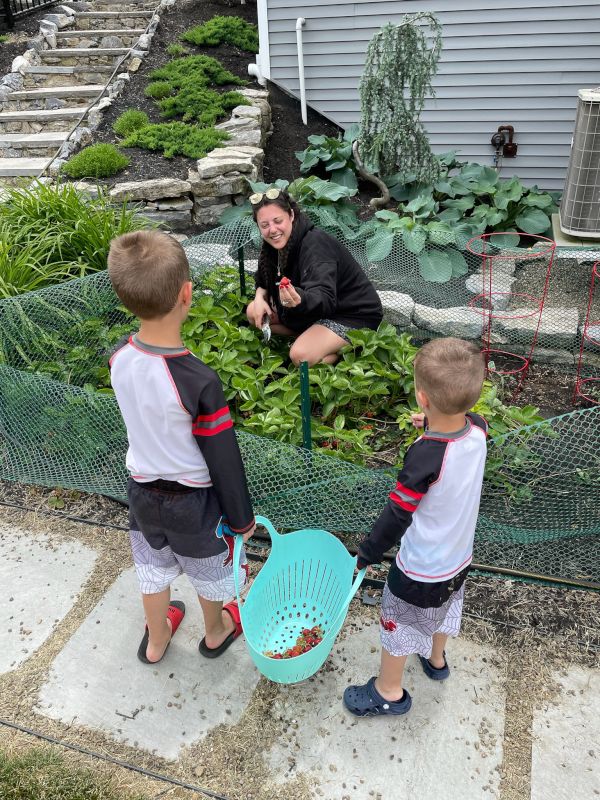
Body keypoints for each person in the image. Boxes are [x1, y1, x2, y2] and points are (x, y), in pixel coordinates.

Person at [107, 230, 256, 665]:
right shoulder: (198, 380)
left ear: (125, 297)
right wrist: (242, 518)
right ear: (187, 294)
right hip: (194, 502)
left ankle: (156, 641)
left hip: (140, 491)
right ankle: (216, 631)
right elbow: (223, 459)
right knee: (208, 570)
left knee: (151, 569)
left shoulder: (119, 357)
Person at [343, 337, 488, 717]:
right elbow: (459, 427)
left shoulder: (426, 455)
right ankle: (436, 660)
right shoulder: (479, 430)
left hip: (420, 568)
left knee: (398, 623)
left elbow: (398, 513)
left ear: (422, 397)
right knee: (444, 607)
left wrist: (368, 552)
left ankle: (388, 691)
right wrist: (433, 423)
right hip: (458, 559)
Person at [245, 188, 383, 365]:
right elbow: (263, 277)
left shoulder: (315, 246)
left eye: (277, 221)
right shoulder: (274, 246)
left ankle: (343, 352)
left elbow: (324, 297)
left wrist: (299, 299)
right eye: (264, 225)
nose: (272, 230)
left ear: (291, 216)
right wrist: (259, 297)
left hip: (351, 314)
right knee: (253, 312)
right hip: (312, 311)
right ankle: (314, 339)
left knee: (300, 356)